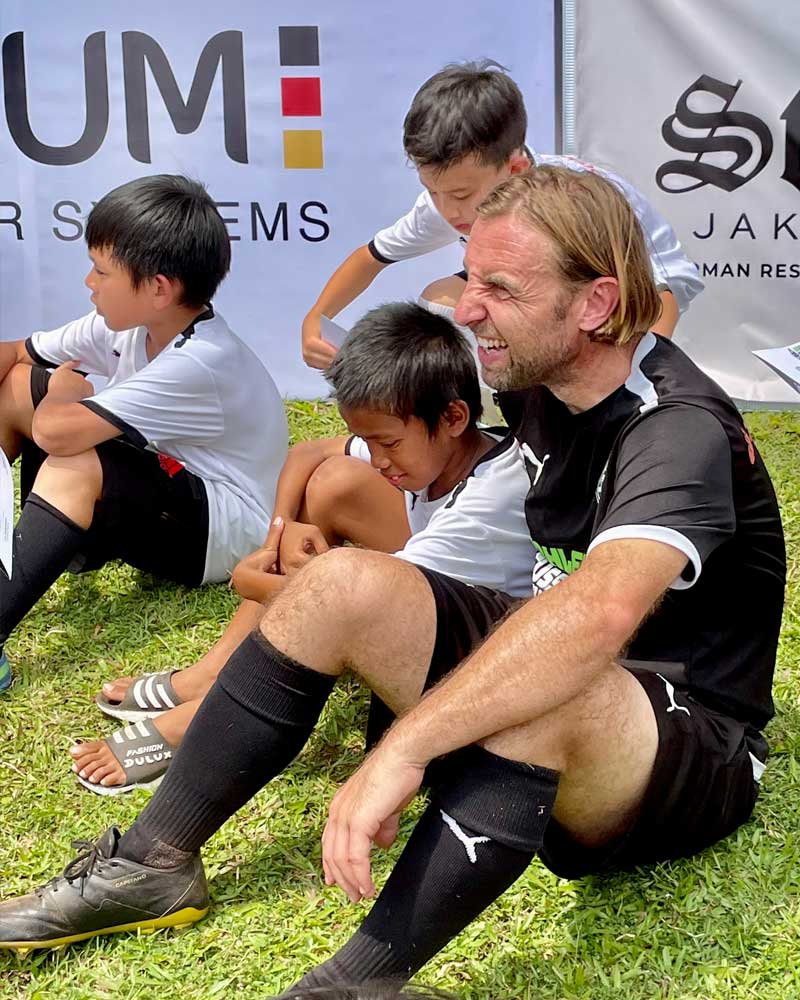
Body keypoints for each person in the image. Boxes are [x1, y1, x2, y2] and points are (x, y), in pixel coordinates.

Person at [0, 168, 784, 1000]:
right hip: (583, 686)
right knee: (340, 583)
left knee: (556, 675)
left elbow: (598, 616)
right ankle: (151, 865)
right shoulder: (541, 377)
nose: (468, 306)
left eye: (500, 288)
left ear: (595, 304)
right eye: (470, 277)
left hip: (694, 747)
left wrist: (404, 749)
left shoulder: (677, 426)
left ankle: (353, 987)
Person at [69, 303, 532, 794]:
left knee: (329, 605)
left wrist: (252, 579)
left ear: (454, 417)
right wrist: (281, 533)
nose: (378, 459)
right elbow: (308, 452)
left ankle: (202, 715)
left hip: (489, 655)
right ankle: (212, 675)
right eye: (367, 441)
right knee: (333, 482)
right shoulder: (438, 448)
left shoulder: (486, 505)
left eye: (389, 443)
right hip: (440, 590)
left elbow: (357, 611)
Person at [0, 174, 288, 694]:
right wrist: (53, 389)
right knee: (20, 386)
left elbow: (56, 433)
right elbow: (19, 353)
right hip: (163, 494)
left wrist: (64, 394)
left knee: (75, 455)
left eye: (101, 271)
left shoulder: (202, 360)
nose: (89, 282)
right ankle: (27, 550)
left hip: (218, 537)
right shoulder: (128, 323)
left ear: (158, 288)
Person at [301, 61, 703, 375]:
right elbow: (371, 257)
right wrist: (316, 319)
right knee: (441, 304)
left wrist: (643, 380)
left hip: (628, 300)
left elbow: (661, 293)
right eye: (433, 191)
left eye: (462, 195)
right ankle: (499, 421)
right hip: (548, 297)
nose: (448, 210)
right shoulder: (444, 203)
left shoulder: (586, 198)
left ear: (515, 168)